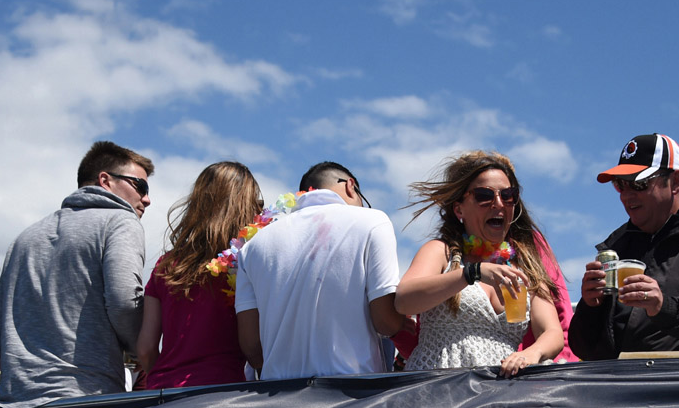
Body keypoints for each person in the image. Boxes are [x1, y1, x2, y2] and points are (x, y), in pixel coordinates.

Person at [0, 140, 153, 406]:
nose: (147, 199)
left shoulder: (25, 237)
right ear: (105, 180)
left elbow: (4, 315)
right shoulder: (120, 220)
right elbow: (124, 300)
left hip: (15, 402)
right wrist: (144, 350)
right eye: (141, 186)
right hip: (83, 400)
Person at [570, 133, 679, 357]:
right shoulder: (616, 245)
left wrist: (663, 307)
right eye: (620, 185)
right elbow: (583, 349)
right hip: (617, 387)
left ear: (675, 181)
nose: (626, 195)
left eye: (639, 183)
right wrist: (590, 306)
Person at [396, 151, 564, 377]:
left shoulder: (525, 264)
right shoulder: (441, 251)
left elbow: (552, 332)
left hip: (500, 392)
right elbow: (404, 300)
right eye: (484, 195)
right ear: (459, 209)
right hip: (439, 387)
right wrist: (471, 273)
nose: (498, 203)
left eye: (508, 195)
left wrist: (531, 353)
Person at [235, 162, 403, 379]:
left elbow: (252, 349)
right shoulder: (372, 221)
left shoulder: (253, 247)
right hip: (352, 397)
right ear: (351, 186)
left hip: (277, 398)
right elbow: (386, 323)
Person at [136, 162, 262, 389]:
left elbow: (145, 350)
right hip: (222, 393)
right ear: (244, 205)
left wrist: (164, 377)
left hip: (162, 394)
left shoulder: (166, 265)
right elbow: (251, 344)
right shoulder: (244, 262)